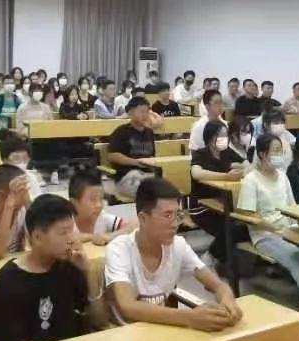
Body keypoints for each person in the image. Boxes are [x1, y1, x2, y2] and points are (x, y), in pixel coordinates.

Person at [105, 177, 242, 330]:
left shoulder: (178, 246)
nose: (175, 224)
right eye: (167, 215)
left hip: (161, 330)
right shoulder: (119, 249)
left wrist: (228, 301)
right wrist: (189, 318)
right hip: (125, 332)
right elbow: (127, 307)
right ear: (143, 218)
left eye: (178, 215)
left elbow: (218, 286)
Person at [0, 194, 104, 341]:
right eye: (63, 233)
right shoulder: (10, 280)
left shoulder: (70, 266)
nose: (71, 239)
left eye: (72, 230)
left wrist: (88, 272)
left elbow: (98, 321)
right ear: (37, 237)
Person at [238, 134, 299, 311]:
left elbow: (293, 208)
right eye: (276, 151)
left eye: (281, 151)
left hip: (288, 229)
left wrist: (298, 229)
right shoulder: (251, 180)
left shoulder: (282, 176)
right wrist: (276, 229)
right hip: (266, 235)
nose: (280, 155)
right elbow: (247, 215)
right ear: (263, 154)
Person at [190, 121, 245, 266]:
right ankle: (210, 257)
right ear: (210, 137)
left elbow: (244, 164)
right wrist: (226, 176)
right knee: (230, 228)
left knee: (244, 227)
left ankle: (226, 259)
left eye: (226, 135)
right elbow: (197, 173)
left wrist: (239, 167)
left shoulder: (227, 152)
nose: (224, 138)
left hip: (224, 204)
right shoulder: (201, 154)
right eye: (220, 135)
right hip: (202, 208)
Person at [107, 97, 156, 198]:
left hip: (148, 174)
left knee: (167, 187)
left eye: (147, 112)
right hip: (127, 176)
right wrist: (136, 162)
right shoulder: (121, 131)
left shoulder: (149, 132)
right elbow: (113, 156)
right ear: (131, 113)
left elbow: (152, 155)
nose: (145, 115)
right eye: (142, 112)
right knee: (149, 192)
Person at [69, 169, 134, 245]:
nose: (99, 205)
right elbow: (68, 238)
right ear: (74, 203)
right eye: (92, 200)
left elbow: (133, 225)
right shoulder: (64, 219)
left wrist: (110, 236)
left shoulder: (102, 217)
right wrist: (92, 237)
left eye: (101, 199)